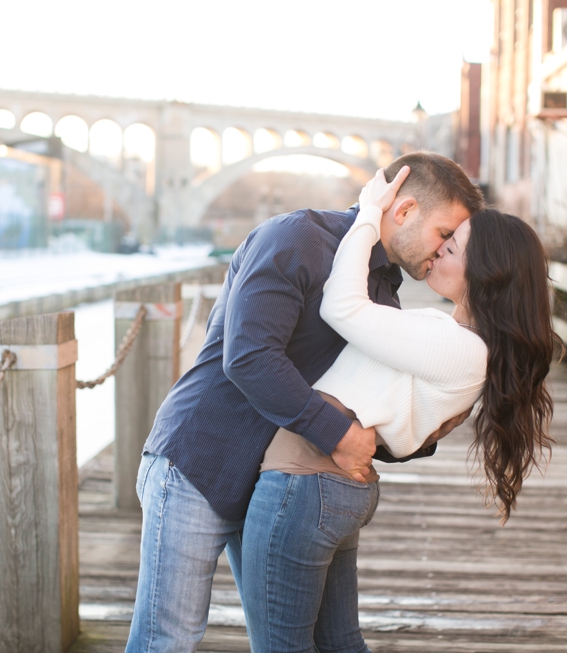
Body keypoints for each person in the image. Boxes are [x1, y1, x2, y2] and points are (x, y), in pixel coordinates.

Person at [126, 152, 485, 652]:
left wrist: (422, 428)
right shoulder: (296, 239)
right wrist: (338, 434)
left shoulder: (382, 284)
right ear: (403, 212)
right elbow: (249, 357)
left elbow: (362, 397)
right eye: (444, 232)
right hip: (201, 460)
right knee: (166, 640)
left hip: (272, 480)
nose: (445, 249)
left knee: (276, 639)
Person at [239, 169, 560, 653]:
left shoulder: (459, 348)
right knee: (340, 643)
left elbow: (342, 307)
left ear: (487, 271)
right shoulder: (454, 339)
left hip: (305, 485)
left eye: (452, 247)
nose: (438, 251)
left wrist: (368, 214)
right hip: (328, 486)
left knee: (282, 647)